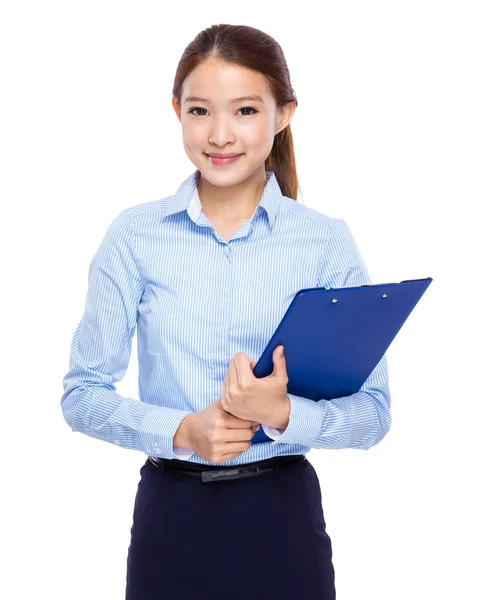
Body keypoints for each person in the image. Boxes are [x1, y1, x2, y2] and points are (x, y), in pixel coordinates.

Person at [61, 23, 391, 600]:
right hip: (173, 514)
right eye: (198, 111)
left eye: (244, 110)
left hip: (283, 517)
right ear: (176, 111)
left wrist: (283, 412)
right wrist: (182, 430)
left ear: (283, 114)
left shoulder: (324, 244)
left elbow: (373, 414)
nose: (219, 135)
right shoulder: (136, 237)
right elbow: (82, 393)